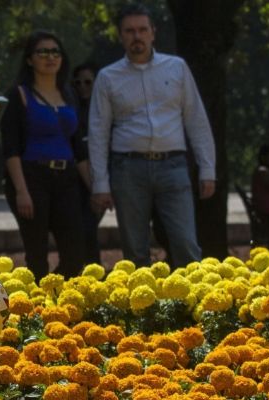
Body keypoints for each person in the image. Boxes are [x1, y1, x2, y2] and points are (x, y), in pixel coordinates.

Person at [89, 3, 216, 269]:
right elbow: (98, 132)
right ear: (121, 35)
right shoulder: (108, 77)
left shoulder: (177, 68)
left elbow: (196, 119)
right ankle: (140, 310)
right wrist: (100, 183)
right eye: (130, 31)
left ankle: (193, 307)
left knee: (186, 244)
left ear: (153, 33)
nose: (137, 36)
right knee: (134, 249)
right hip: (128, 168)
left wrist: (207, 169)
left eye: (142, 30)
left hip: (173, 165)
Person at [0, 30, 86, 279]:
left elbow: (78, 147)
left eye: (55, 51)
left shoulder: (69, 94)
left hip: (67, 178)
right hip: (32, 177)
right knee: (36, 254)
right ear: (29, 59)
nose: (50, 57)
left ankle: (59, 301)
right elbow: (11, 147)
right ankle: (37, 313)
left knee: (75, 254)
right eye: (43, 52)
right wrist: (21, 191)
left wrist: (97, 188)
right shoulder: (19, 95)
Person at [71, 62, 102, 265]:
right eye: (78, 82)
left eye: (88, 82)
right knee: (81, 229)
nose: (83, 86)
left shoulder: (102, 110)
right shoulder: (72, 109)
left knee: (89, 228)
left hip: (99, 177)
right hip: (76, 180)